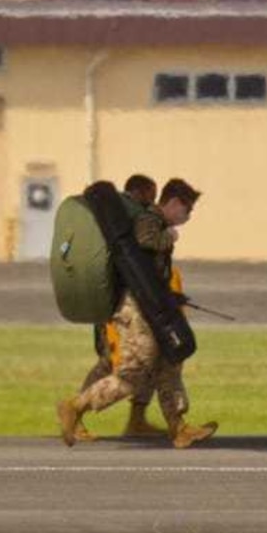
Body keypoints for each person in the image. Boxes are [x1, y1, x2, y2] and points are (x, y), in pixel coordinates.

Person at [58, 178, 217, 449]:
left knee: (169, 363)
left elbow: (150, 270)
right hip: (137, 308)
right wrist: (170, 237)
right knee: (132, 373)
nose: (187, 217)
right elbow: (145, 240)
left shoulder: (155, 221)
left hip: (152, 303)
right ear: (175, 203)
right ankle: (75, 406)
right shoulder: (149, 219)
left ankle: (179, 428)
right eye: (187, 210)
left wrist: (171, 296)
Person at [73, 174, 161, 443]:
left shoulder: (116, 219)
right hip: (118, 303)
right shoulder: (128, 218)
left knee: (147, 361)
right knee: (111, 363)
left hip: (116, 299)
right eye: (150, 194)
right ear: (140, 191)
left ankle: (137, 419)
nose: (153, 200)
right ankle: (74, 413)